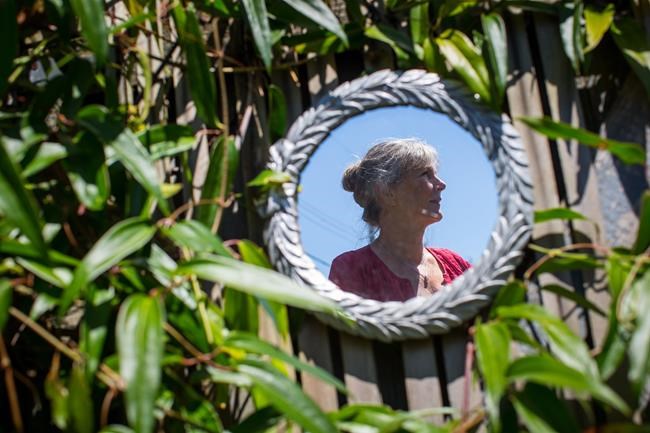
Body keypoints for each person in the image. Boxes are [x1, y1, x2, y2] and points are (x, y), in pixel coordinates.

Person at [328, 138, 470, 302]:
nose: (442, 184)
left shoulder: (457, 265)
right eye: (425, 174)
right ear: (387, 192)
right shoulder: (351, 269)